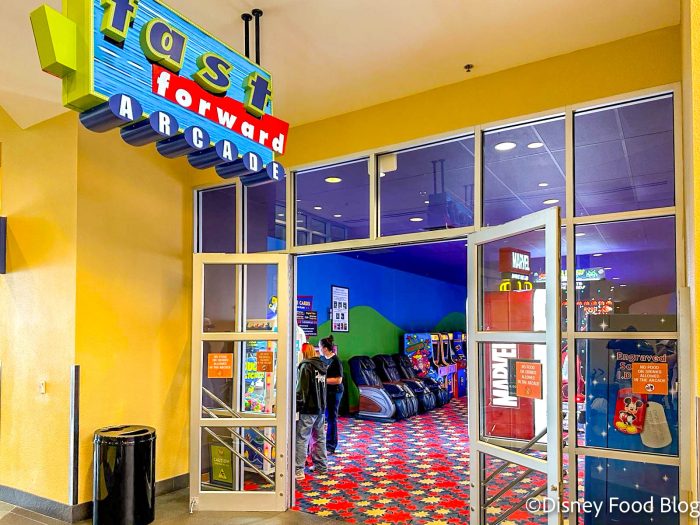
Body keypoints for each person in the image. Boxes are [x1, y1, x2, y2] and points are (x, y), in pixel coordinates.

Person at [295, 342, 328, 480]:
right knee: (319, 437)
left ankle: (298, 470)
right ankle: (321, 466)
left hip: (308, 408)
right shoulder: (322, 366)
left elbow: (301, 389)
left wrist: (296, 405)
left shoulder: (305, 366)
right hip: (321, 407)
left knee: (302, 438)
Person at [319, 335, 343, 454]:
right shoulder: (322, 359)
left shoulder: (336, 361)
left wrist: (323, 380)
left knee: (331, 417)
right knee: (326, 417)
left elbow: (338, 380)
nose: (319, 349)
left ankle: (331, 446)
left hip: (335, 391)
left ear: (325, 348)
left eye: (320, 347)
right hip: (326, 391)